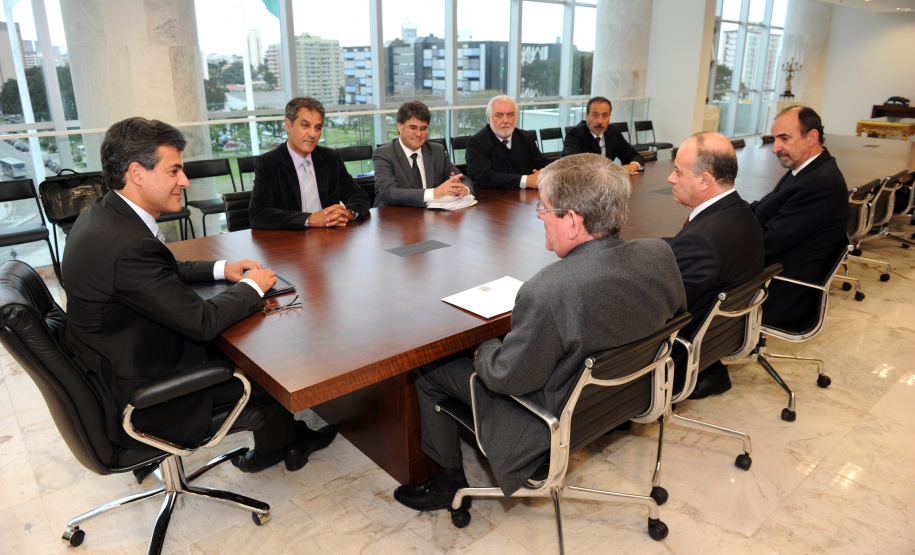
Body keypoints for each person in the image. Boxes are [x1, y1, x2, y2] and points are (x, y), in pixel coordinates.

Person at [393, 154, 686, 511]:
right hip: (621, 399)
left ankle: (447, 481)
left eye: (544, 210)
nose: (541, 218)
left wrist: (485, 346)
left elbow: (506, 378)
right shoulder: (659, 254)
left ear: (573, 222)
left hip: (547, 422)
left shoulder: (547, 291)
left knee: (429, 370)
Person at [63, 117, 337, 474]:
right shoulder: (127, 245)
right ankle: (283, 444)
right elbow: (201, 322)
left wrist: (222, 269)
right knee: (268, 361)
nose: (185, 181)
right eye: (174, 170)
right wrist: (254, 286)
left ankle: (281, 440)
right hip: (148, 390)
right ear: (137, 173)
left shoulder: (104, 217)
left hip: (115, 361)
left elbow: (156, 272)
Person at [664, 132, 764, 398]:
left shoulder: (702, 240)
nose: (670, 179)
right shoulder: (742, 213)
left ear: (704, 180)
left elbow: (661, 309)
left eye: (677, 171)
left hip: (680, 356)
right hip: (717, 341)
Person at [751, 106, 848, 328]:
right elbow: (765, 207)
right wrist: (726, 214)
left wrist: (722, 240)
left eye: (784, 138)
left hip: (783, 290)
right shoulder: (807, 169)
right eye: (774, 139)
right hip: (778, 272)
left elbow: (768, 243)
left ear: (812, 137)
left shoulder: (820, 183)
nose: (775, 148)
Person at [249, 97, 370, 229]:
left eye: (317, 127)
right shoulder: (268, 163)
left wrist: (348, 213)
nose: (312, 134)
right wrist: (309, 219)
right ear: (288, 125)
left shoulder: (331, 158)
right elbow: (258, 214)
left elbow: (359, 196)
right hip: (291, 242)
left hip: (330, 239)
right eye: (305, 125)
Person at [373, 100, 473, 207]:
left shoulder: (437, 151)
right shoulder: (384, 154)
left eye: (423, 128)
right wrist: (434, 193)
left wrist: (463, 189)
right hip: (393, 217)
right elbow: (389, 193)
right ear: (399, 126)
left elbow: (463, 180)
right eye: (413, 128)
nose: (419, 134)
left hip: (429, 217)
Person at [464, 95, 548, 190]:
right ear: (489, 118)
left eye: (510, 115)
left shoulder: (526, 137)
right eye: (499, 115)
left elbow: (544, 165)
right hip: (490, 200)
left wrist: (543, 172)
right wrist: (527, 180)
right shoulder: (476, 143)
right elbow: (486, 177)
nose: (505, 121)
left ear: (516, 117)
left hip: (523, 198)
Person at [562, 96, 645, 175]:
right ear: (587, 116)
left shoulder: (614, 132)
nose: (600, 121)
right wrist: (613, 172)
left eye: (605, 116)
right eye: (595, 115)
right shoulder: (576, 133)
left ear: (609, 116)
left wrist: (633, 165)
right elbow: (573, 163)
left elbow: (634, 155)